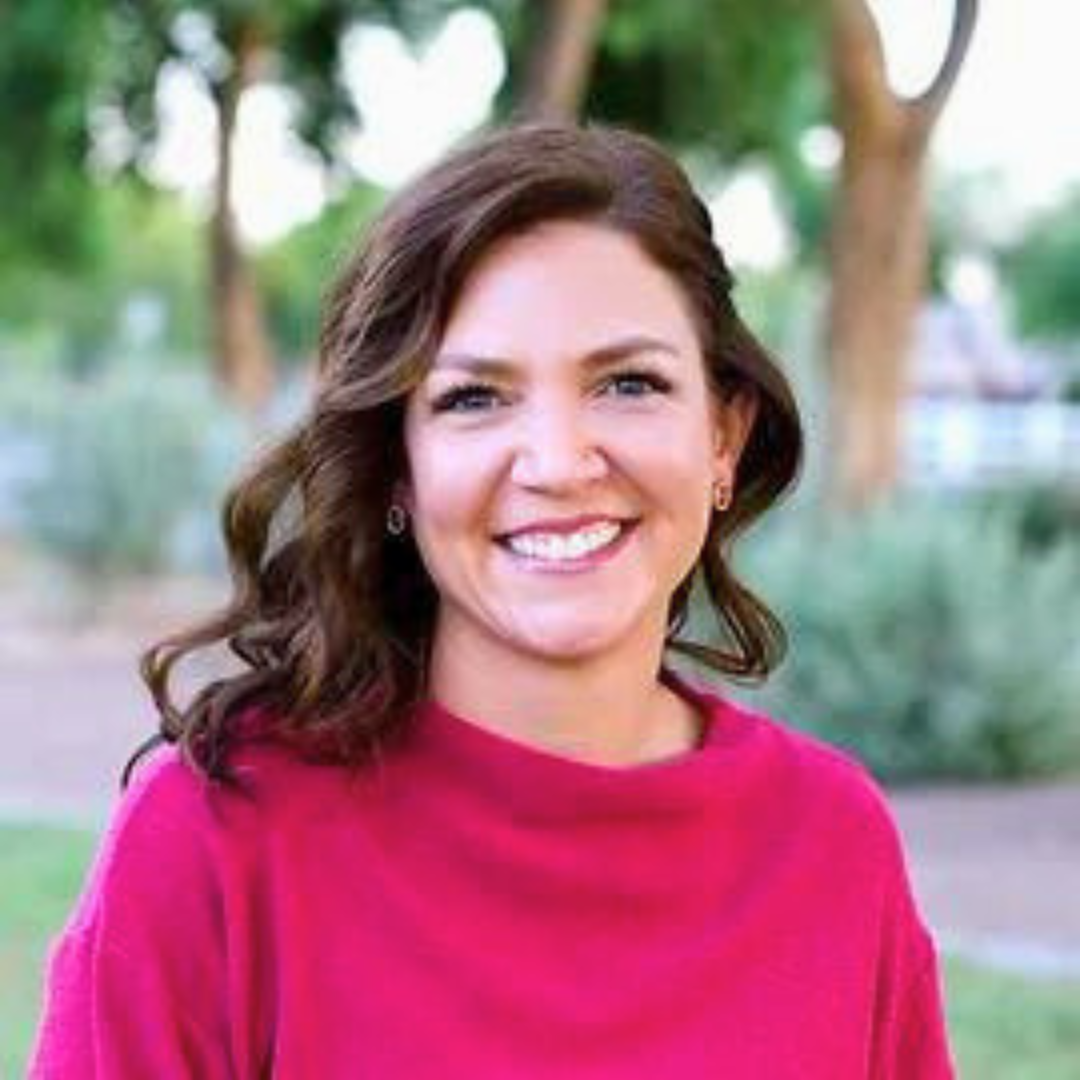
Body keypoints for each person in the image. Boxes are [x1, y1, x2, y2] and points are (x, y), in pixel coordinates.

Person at [30, 121, 954, 1078]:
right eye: (474, 398)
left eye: (629, 383)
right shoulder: (214, 843)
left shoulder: (832, 846)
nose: (557, 462)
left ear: (722, 439)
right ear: (398, 466)